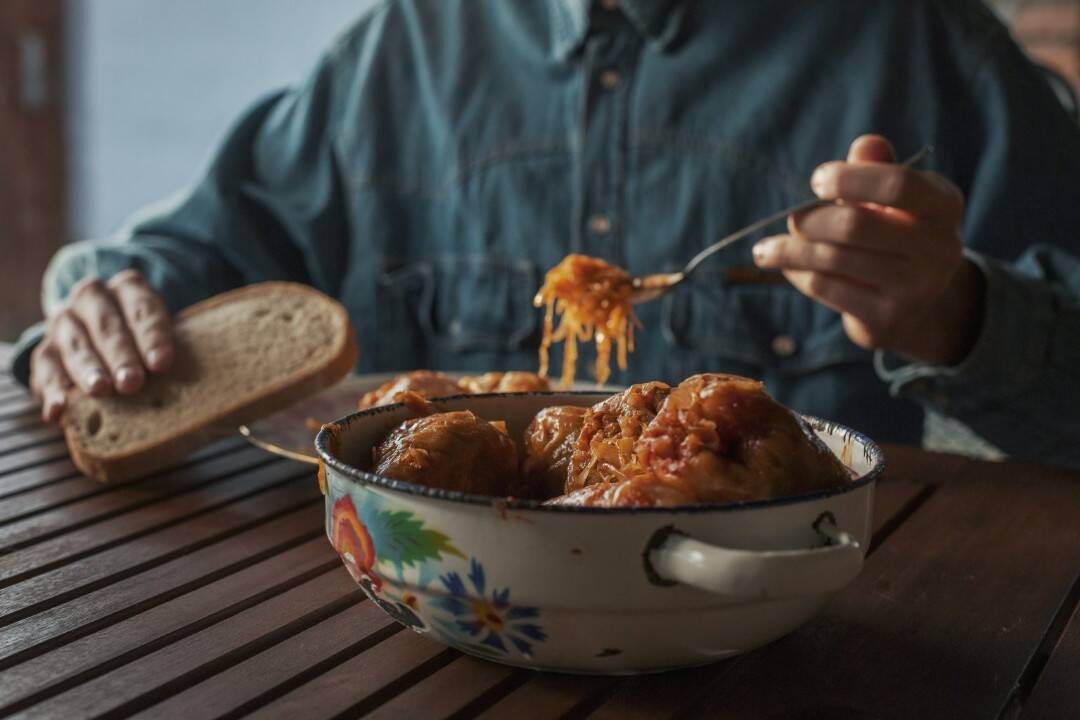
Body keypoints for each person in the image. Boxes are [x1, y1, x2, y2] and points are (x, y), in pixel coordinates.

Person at [11, 0, 1080, 466]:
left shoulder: (919, 44)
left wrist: (960, 314)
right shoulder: (401, 50)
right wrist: (107, 297)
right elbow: (187, 266)